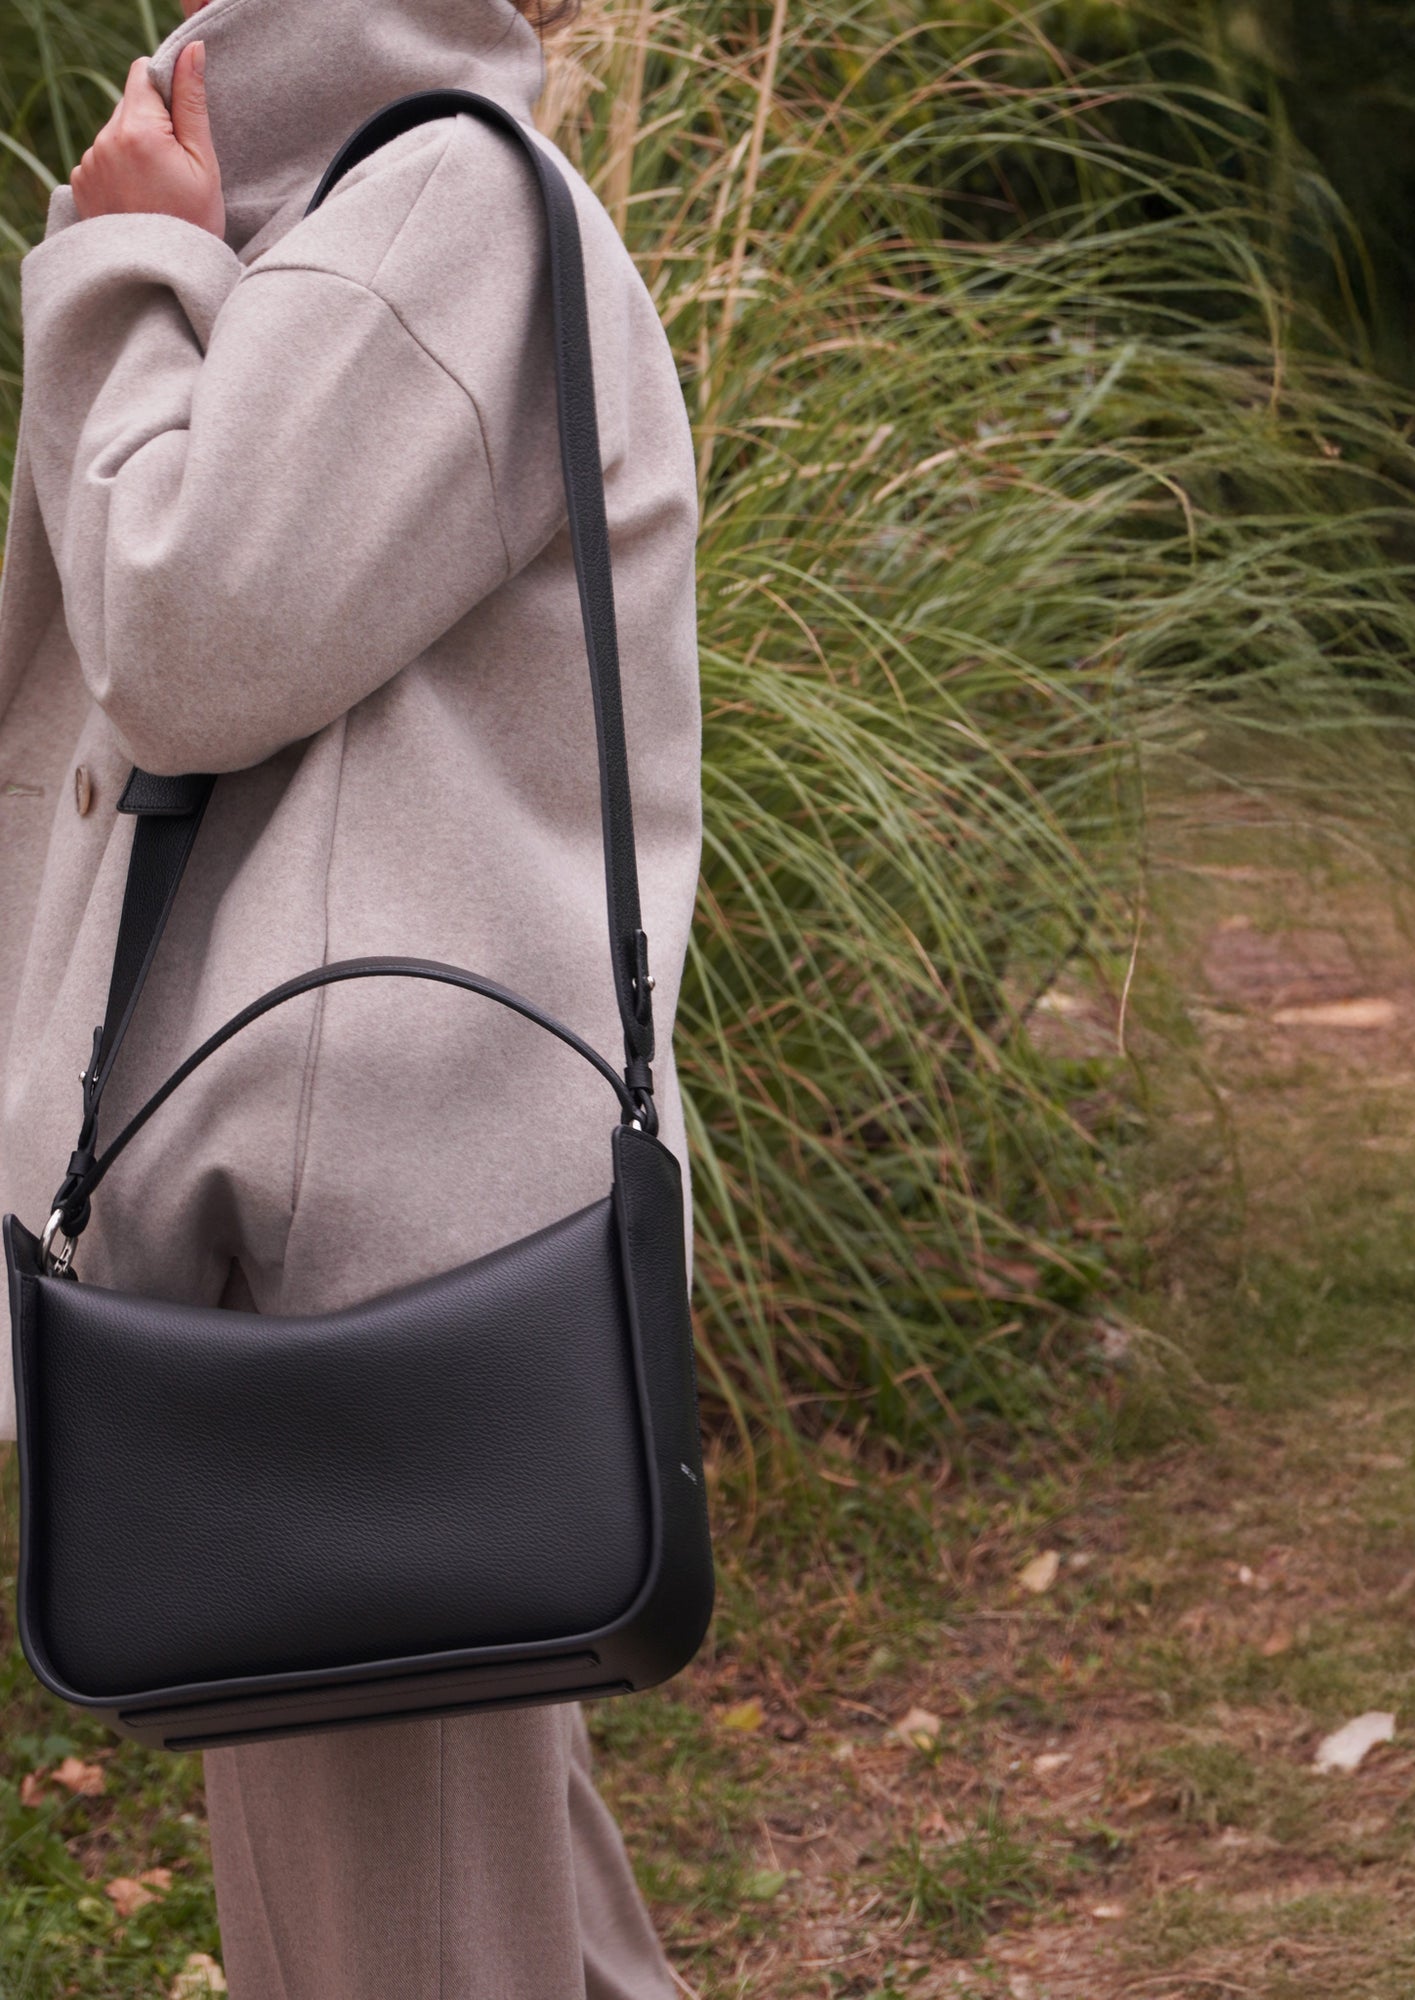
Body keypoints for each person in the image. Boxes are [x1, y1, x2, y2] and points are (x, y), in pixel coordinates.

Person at [0, 0, 702, 1991]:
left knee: (401, 1947)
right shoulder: (350, 211)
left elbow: (186, 628)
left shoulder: (435, 216)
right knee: (483, 1919)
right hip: (375, 1233)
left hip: (368, 1257)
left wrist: (125, 270)